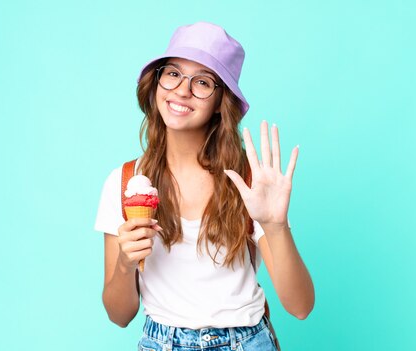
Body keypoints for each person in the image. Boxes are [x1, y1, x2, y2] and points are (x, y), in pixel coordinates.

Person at [94, 22, 314, 350]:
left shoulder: (248, 182)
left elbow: (300, 307)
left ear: (219, 102)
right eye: (173, 74)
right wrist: (125, 265)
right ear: (156, 83)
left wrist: (276, 226)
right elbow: (119, 314)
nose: (182, 90)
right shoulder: (124, 183)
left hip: (245, 341)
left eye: (202, 82)